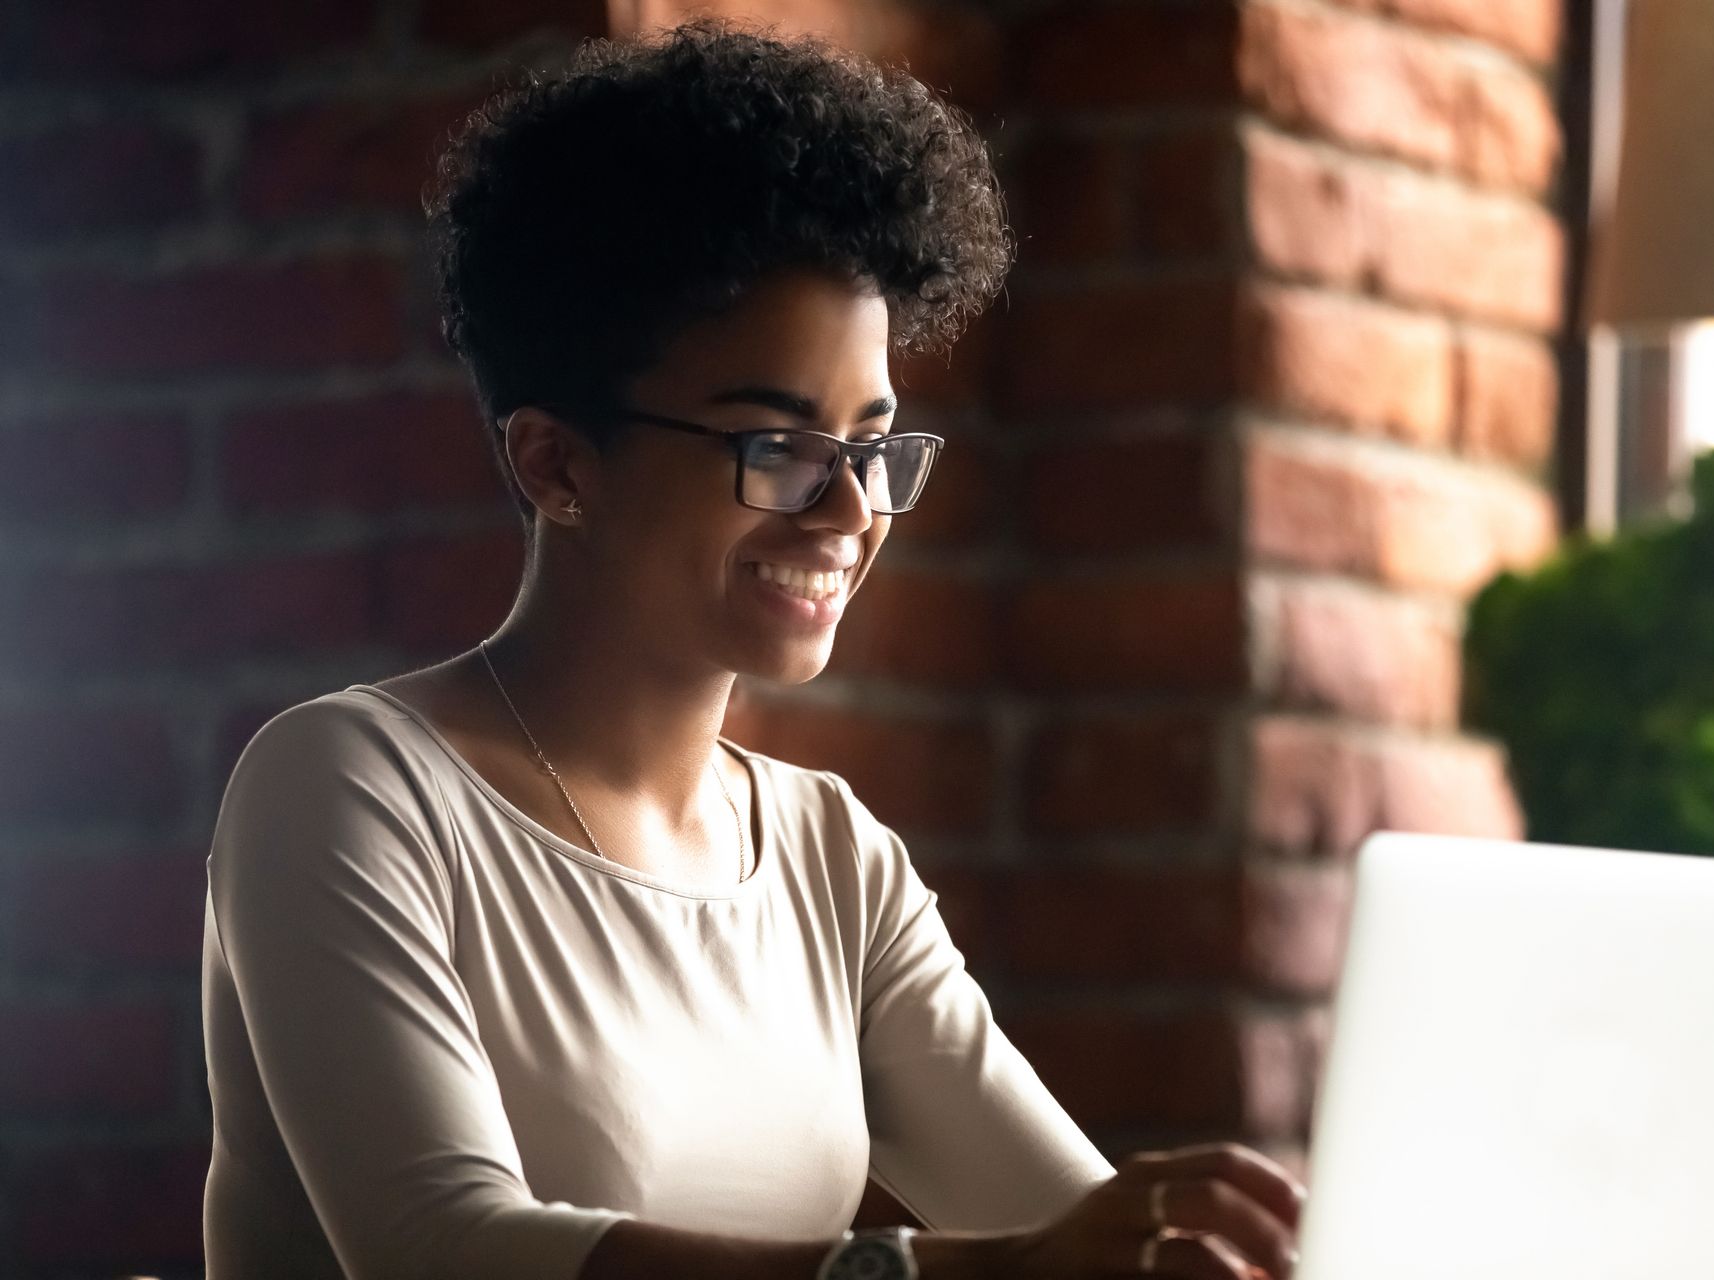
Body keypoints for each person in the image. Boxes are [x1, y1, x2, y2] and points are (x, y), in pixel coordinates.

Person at [199, 20, 1304, 1280]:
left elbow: (1088, 1237)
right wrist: (939, 1269)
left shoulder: (835, 860)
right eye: (776, 447)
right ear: (559, 463)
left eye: (873, 446)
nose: (853, 512)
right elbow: (445, 1248)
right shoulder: (348, 788)